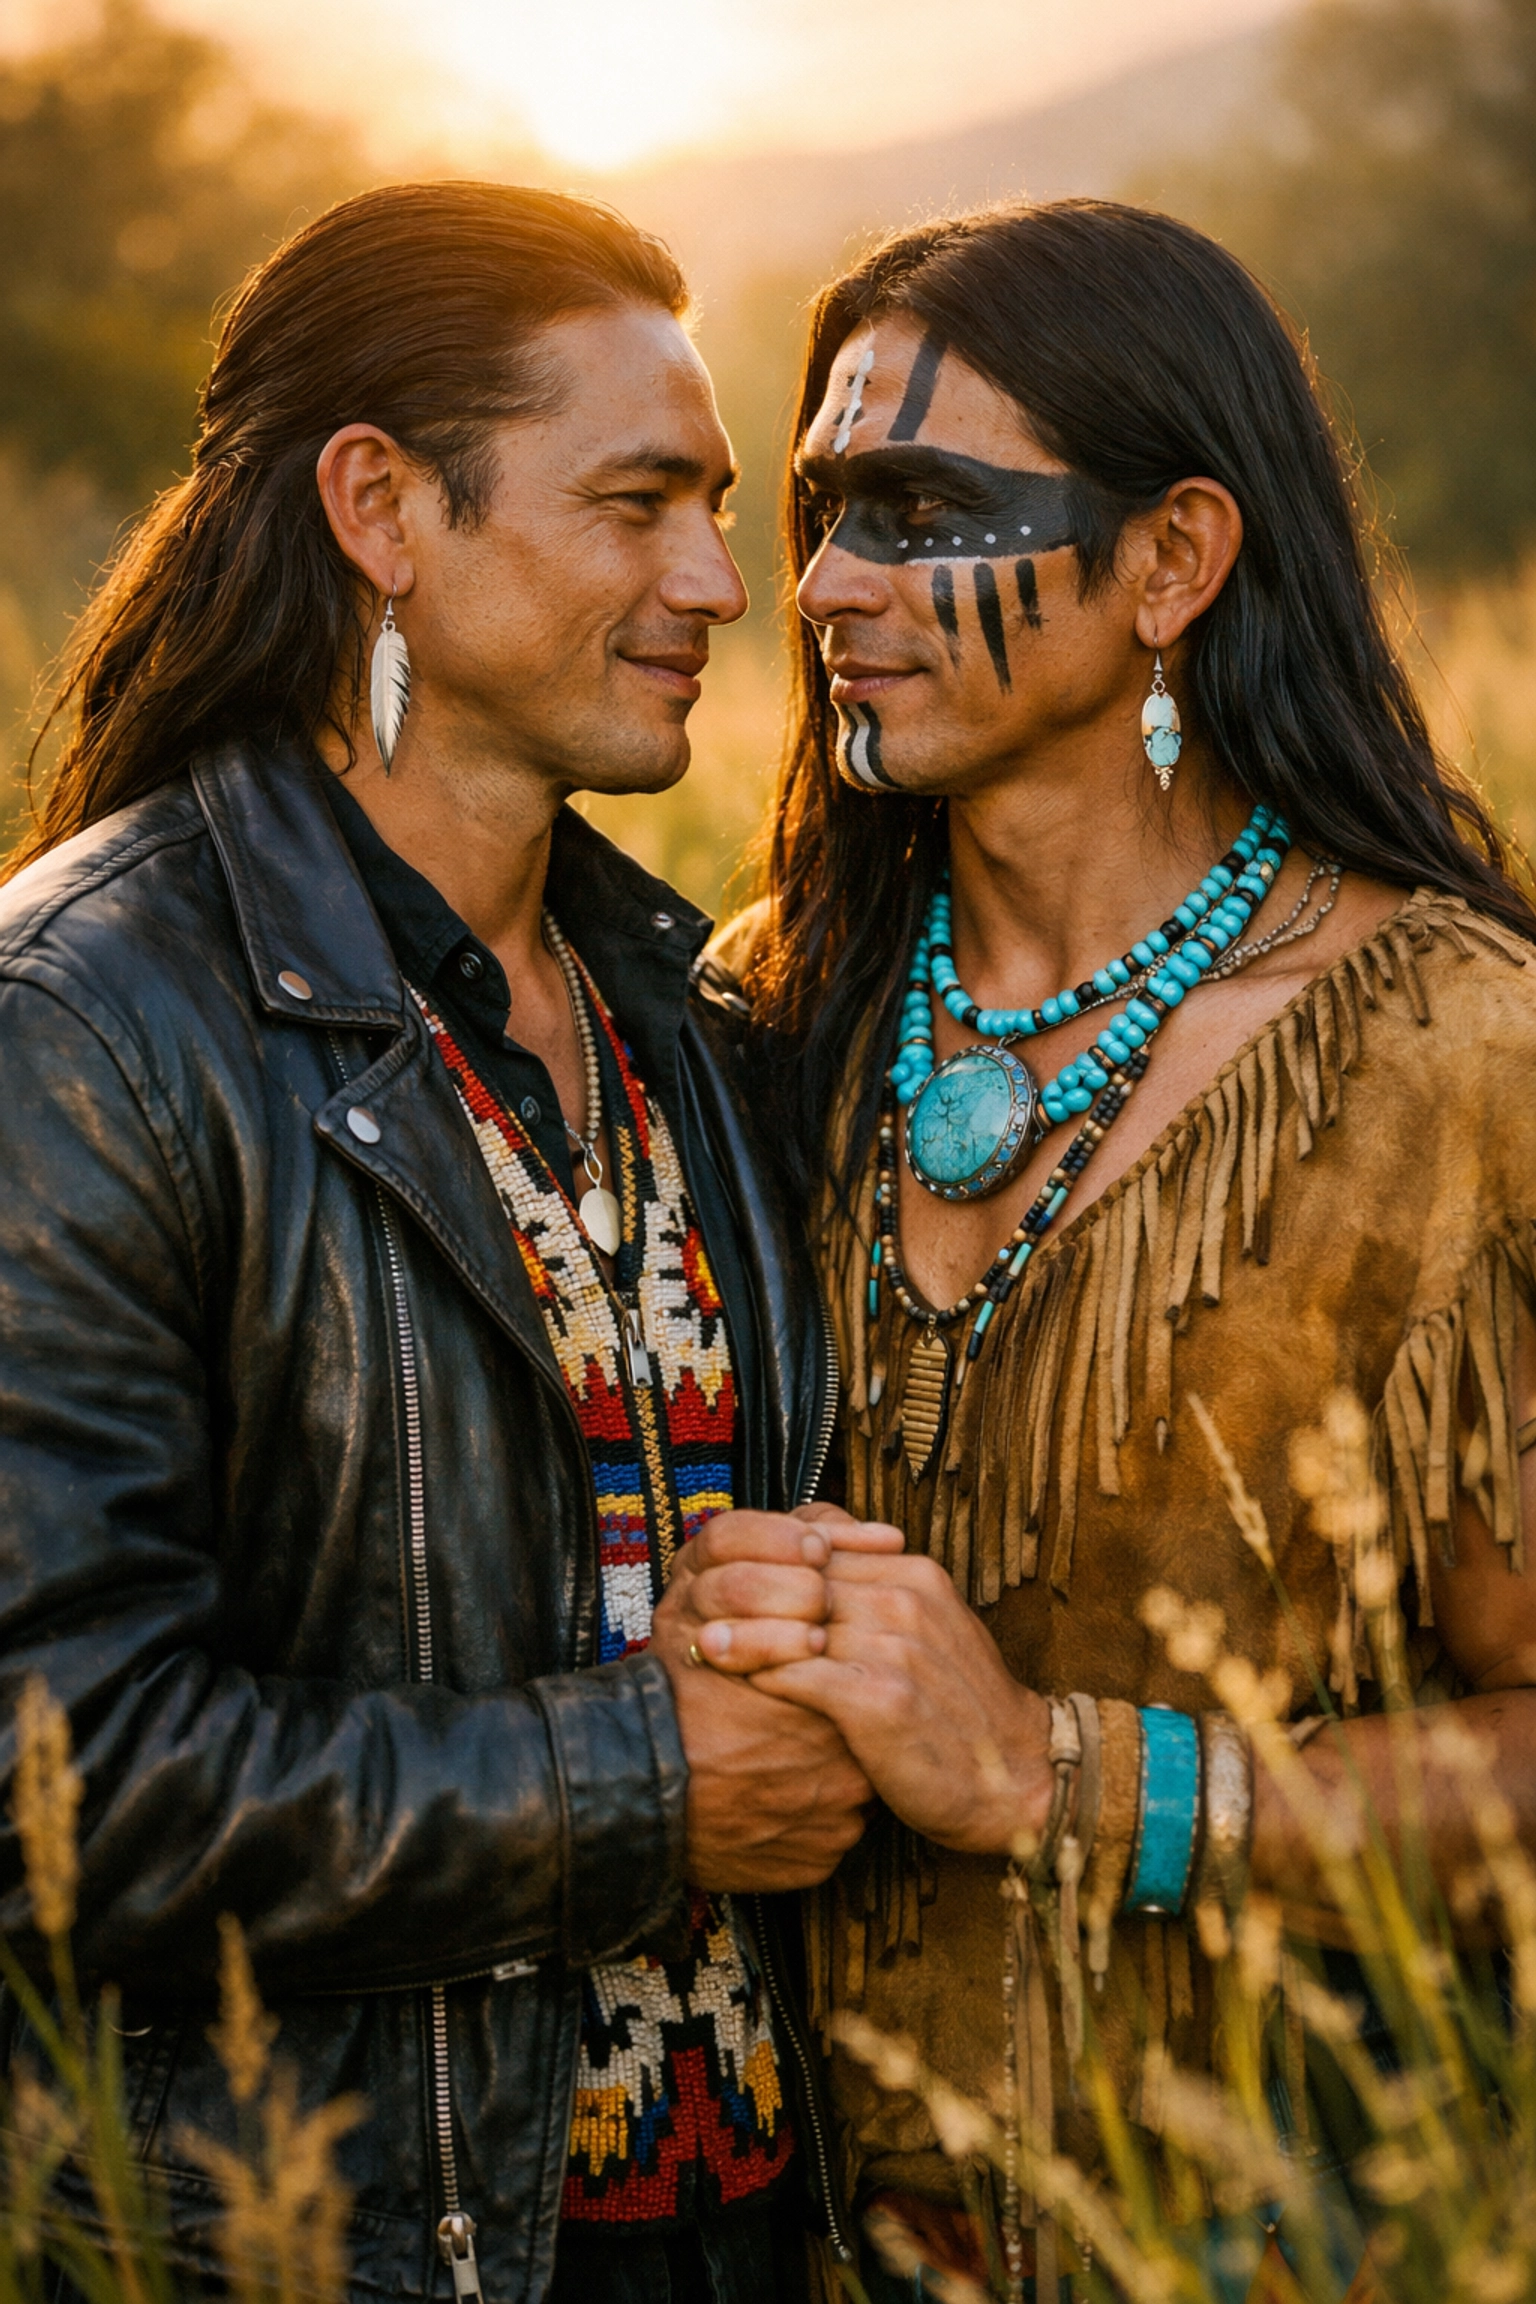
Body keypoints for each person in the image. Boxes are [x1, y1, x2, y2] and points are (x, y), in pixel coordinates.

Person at [0, 181, 887, 2304]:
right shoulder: (88, 1029)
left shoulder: (703, 1018)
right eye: (638, 504)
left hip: (761, 2232)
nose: (720, 581)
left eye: (722, 508)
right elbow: (51, 1766)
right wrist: (644, 1786)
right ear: (383, 509)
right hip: (356, 2251)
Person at [690, 198, 1536, 2298]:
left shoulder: (1459, 1060)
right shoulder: (757, 1017)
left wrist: (1052, 1774)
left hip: (1274, 2234)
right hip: (769, 2235)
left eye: (917, 510)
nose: (822, 586)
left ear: (1172, 561)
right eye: (816, 509)